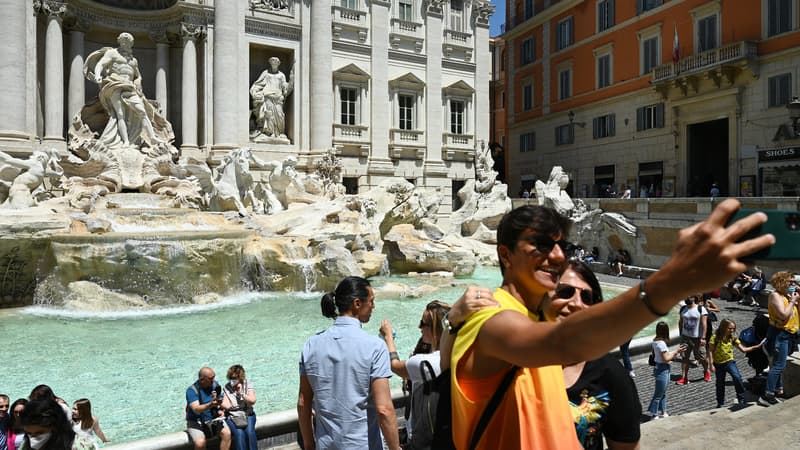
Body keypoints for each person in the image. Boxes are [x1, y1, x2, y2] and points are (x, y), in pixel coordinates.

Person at [439, 199, 772, 449]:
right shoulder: (488, 315)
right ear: (505, 254)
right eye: (540, 244)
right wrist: (671, 282)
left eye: (561, 245)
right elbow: (560, 342)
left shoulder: (537, 314)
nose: (556, 256)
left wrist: (449, 324)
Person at [539, 260, 641, 449]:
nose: (577, 303)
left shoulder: (611, 373)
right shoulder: (513, 359)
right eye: (565, 291)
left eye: (587, 297)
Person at [297, 276, 401, 450]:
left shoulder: (311, 344)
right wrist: (395, 447)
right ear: (357, 304)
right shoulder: (375, 347)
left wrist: (309, 444)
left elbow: (303, 401)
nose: (373, 306)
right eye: (372, 301)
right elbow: (384, 409)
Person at [379, 300, 451, 449]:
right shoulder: (456, 356)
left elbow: (395, 366)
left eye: (423, 323)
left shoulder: (424, 363)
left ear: (435, 329)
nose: (419, 327)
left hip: (424, 441)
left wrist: (388, 338)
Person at [86, 32, 167, 149]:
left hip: (129, 86)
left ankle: (152, 137)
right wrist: (98, 74)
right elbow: (100, 64)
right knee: (120, 114)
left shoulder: (133, 60)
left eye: (128, 42)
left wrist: (138, 80)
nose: (125, 44)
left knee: (142, 111)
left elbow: (138, 75)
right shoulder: (112, 53)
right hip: (115, 84)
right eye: (123, 42)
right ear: (119, 42)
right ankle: (125, 142)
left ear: (131, 44)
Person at [759, 271, 799, 406]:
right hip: (779, 334)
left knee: (778, 363)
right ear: (781, 282)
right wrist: (793, 301)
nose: (792, 284)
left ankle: (776, 389)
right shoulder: (775, 296)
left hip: (788, 334)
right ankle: (767, 395)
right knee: (779, 365)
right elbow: (783, 315)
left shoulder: (785, 295)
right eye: (790, 282)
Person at [709, 319, 764, 407]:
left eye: (733, 329)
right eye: (730, 328)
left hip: (729, 362)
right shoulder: (715, 337)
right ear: (723, 327)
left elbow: (743, 349)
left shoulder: (733, 337)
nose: (732, 330)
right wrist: (711, 364)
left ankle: (741, 398)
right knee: (720, 384)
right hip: (718, 364)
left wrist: (757, 346)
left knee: (737, 377)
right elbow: (710, 351)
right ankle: (720, 403)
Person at [17, 398, 96, 450]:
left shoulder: (82, 446)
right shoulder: (25, 446)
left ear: (56, 428)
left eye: (40, 433)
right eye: (29, 433)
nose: (33, 439)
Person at [185, 367, 232, 450]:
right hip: (196, 422)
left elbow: (220, 399)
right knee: (200, 443)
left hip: (213, 418)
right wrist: (210, 404)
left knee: (227, 434)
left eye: (214, 377)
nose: (213, 380)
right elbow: (196, 409)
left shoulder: (215, 385)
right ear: (202, 379)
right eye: (211, 378)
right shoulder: (191, 391)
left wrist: (220, 408)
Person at [647, 322, 686, 419]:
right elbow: (666, 359)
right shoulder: (662, 344)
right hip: (663, 369)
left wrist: (673, 354)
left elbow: (663, 357)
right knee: (659, 393)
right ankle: (654, 414)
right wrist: (677, 351)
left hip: (660, 368)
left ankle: (663, 412)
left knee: (663, 392)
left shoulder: (655, 341)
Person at [250, 57, 293, 140]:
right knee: (268, 115)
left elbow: (284, 86)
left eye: (276, 62)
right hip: (267, 96)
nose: (274, 63)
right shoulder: (266, 73)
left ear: (278, 63)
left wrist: (288, 85)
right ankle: (269, 133)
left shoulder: (281, 75)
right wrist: (255, 91)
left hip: (278, 98)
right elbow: (259, 83)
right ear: (270, 63)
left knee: (280, 115)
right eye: (272, 62)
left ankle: (279, 132)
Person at [219, 365, 257, 450]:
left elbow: (252, 401)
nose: (233, 380)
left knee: (250, 433)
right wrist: (219, 402)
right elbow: (228, 406)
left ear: (241, 377)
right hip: (233, 416)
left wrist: (241, 393)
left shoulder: (248, 384)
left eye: (235, 378)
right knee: (239, 434)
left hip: (248, 414)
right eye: (231, 378)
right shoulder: (226, 387)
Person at [676, 295, 711, 384]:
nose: (687, 298)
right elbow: (680, 322)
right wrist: (680, 334)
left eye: (689, 296)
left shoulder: (701, 309)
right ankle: (684, 377)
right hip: (685, 338)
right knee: (684, 357)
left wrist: (703, 337)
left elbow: (704, 324)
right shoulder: (683, 308)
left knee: (702, 358)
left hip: (697, 339)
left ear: (694, 298)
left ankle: (706, 371)